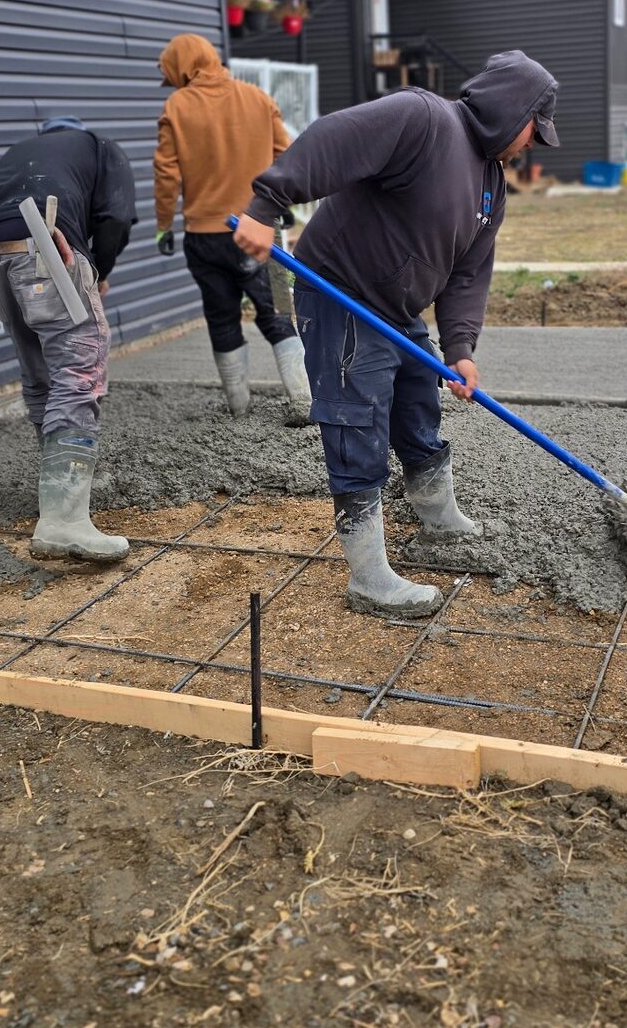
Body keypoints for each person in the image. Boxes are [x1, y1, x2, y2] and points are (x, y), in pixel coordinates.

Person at [233, 50, 559, 618]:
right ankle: (368, 577)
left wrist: (460, 349)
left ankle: (437, 518)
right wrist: (268, 202)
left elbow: (467, 273)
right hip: (343, 293)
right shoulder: (423, 119)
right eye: (536, 128)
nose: (536, 143)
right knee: (355, 419)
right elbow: (334, 140)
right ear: (513, 111)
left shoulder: (491, 184)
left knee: (418, 404)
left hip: (398, 309)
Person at [0, 116, 136, 563]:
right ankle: (63, 520)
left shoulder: (27, 149)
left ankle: (58, 492)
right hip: (44, 242)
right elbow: (116, 217)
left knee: (42, 373)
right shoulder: (102, 146)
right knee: (80, 369)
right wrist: (97, 268)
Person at [153, 33, 310, 420]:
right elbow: (285, 155)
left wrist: (162, 227)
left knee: (221, 316)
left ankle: (238, 409)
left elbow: (165, 174)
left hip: (204, 237)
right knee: (277, 312)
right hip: (260, 229)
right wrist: (280, 204)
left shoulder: (177, 106)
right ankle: (306, 402)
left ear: (183, 68)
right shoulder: (256, 98)